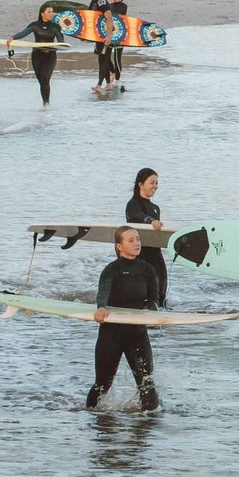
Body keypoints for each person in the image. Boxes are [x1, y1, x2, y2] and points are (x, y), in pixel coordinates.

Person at [88, 225, 161, 412]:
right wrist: (101, 308)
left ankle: (150, 421)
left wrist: (152, 310)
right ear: (119, 246)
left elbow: (153, 299)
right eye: (131, 240)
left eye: (138, 239)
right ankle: (90, 416)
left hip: (137, 333)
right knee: (102, 384)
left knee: (147, 385)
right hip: (111, 334)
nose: (137, 243)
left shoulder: (147, 270)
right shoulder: (112, 269)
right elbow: (103, 292)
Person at [6, 0, 71, 105]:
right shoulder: (35, 25)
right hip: (37, 55)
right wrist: (12, 38)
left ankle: (46, 104)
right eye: (49, 12)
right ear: (42, 13)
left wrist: (54, 47)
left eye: (52, 12)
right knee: (41, 80)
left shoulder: (55, 27)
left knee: (45, 79)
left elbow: (61, 42)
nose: (51, 14)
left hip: (50, 55)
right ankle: (45, 104)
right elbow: (23, 33)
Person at [126, 166, 169, 309]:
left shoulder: (156, 208)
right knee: (143, 288)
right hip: (139, 253)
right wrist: (151, 221)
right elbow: (137, 216)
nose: (155, 186)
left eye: (157, 183)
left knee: (161, 284)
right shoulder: (133, 204)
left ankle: (161, 310)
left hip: (155, 252)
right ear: (140, 184)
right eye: (152, 182)